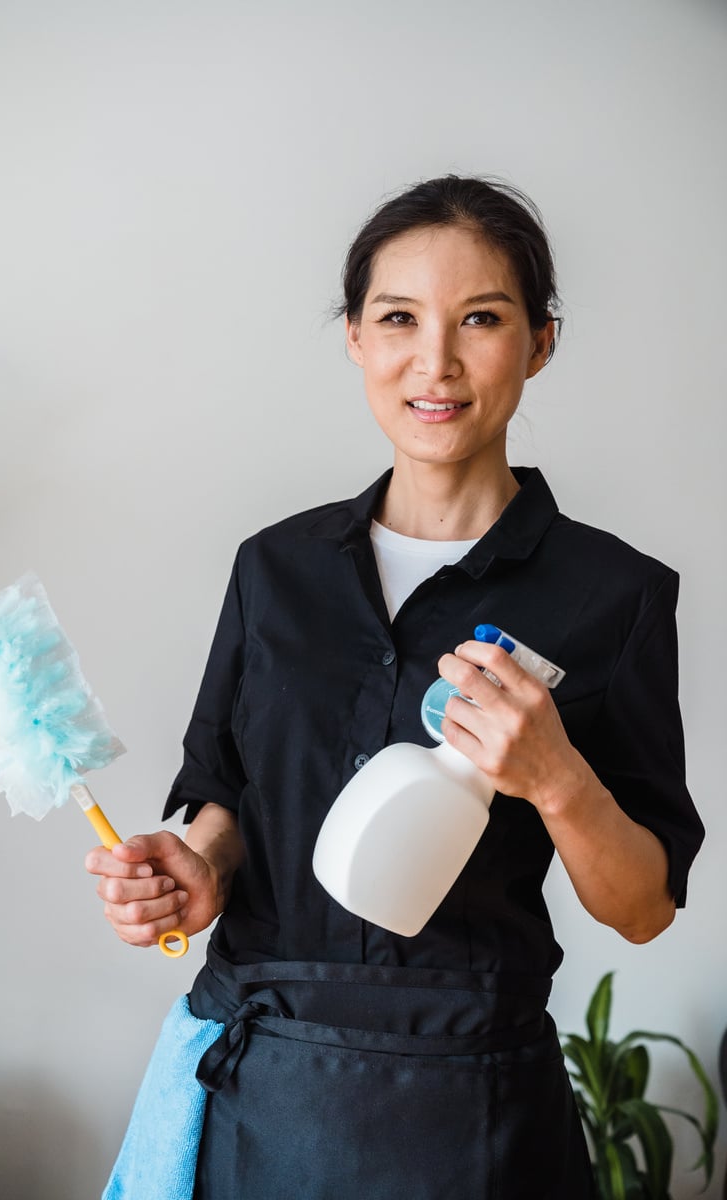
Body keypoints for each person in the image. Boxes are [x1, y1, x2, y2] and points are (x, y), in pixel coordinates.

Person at [86, 176, 704, 1198]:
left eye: (481, 320)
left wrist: (555, 780)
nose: (437, 362)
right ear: (355, 341)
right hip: (261, 1092)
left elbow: (640, 908)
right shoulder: (273, 568)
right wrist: (193, 868)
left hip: (471, 1113)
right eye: (398, 319)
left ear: (540, 342)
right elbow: (226, 792)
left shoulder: (612, 597)